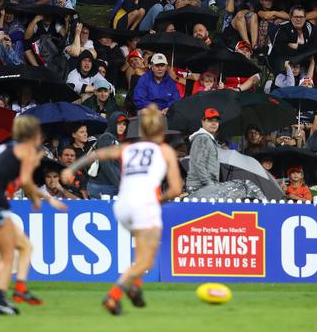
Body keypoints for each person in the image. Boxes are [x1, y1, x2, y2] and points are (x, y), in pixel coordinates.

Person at [62, 104, 183, 316]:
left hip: (122, 205)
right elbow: (175, 189)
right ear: (161, 131)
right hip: (144, 205)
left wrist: (70, 170)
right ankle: (114, 295)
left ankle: (135, 287)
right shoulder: (165, 151)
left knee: (140, 249)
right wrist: (159, 200)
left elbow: (96, 155)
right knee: (147, 259)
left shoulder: (128, 148)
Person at [0, 115, 66, 315]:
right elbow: (26, 180)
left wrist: (45, 198)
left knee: (23, 246)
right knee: (9, 251)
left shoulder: (4, 148)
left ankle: (17, 290)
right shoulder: (26, 151)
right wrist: (38, 200)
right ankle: (0, 299)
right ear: (34, 135)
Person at [87, 112, 129, 199]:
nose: (122, 127)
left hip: (107, 185)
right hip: (102, 186)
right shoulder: (107, 137)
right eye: (119, 123)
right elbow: (106, 164)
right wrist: (119, 184)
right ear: (113, 123)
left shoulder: (115, 140)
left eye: (124, 124)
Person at [186, 108, 221, 193]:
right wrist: (209, 183)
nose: (214, 123)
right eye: (210, 120)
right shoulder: (202, 138)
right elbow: (198, 163)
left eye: (216, 121)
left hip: (202, 185)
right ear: (203, 122)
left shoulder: (207, 138)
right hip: (199, 186)